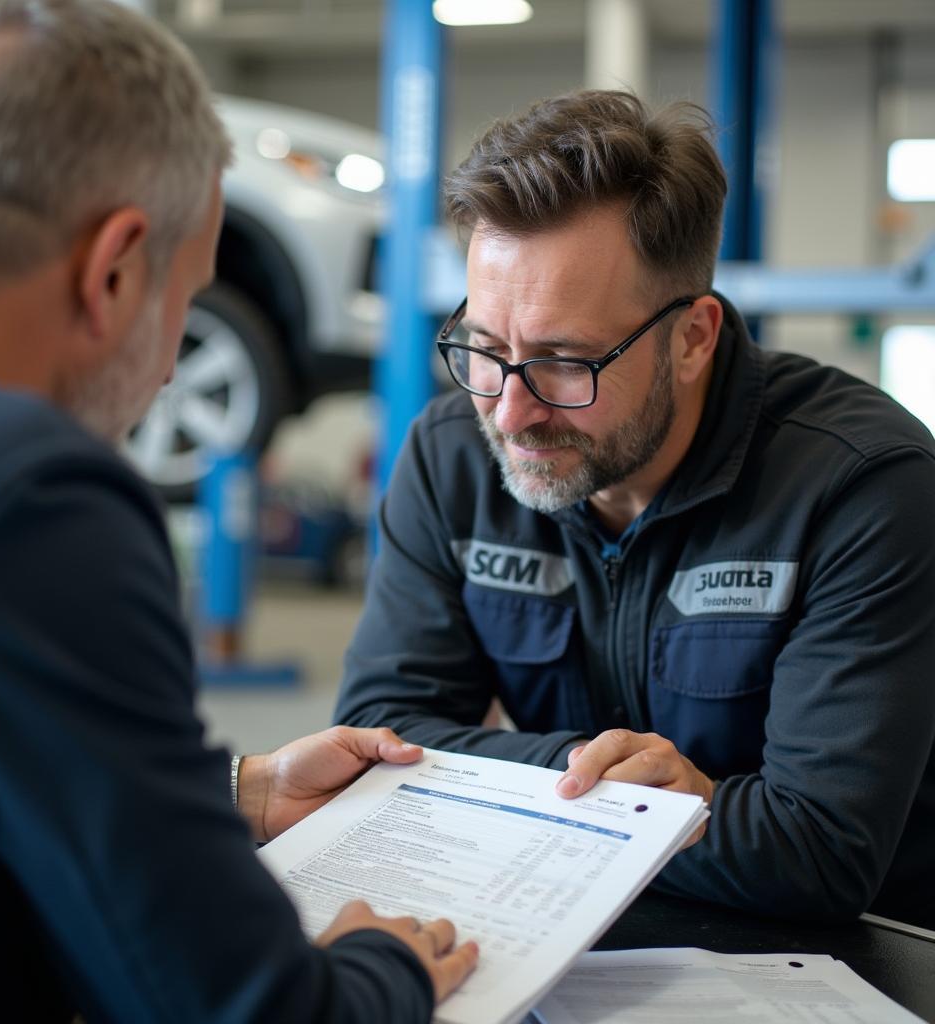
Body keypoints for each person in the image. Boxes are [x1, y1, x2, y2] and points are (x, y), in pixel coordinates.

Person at [0, 1, 477, 1021]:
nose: (174, 362)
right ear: (117, 267)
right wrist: (377, 967)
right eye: (190, 296)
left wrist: (236, 791)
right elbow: (236, 1008)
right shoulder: (28, 495)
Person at [335, 89, 935, 928]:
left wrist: (492, 783)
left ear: (692, 339)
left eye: (563, 362)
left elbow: (818, 852)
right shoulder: (450, 457)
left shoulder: (861, 485)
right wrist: (602, 782)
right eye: (485, 347)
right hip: (564, 929)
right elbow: (372, 745)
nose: (509, 413)